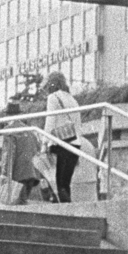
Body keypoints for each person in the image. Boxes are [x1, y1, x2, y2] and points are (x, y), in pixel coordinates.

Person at [43, 72, 81, 203]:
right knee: (65, 184)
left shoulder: (53, 97)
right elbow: (78, 124)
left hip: (60, 144)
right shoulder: (72, 99)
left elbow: (50, 121)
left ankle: (57, 214)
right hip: (75, 143)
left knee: (56, 184)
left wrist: (44, 143)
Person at [2, 100, 45, 205]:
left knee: (17, 204)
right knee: (22, 202)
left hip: (18, 173)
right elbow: (37, 149)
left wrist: (5, 173)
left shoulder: (9, 129)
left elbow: (9, 153)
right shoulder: (29, 129)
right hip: (32, 173)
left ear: (7, 115)